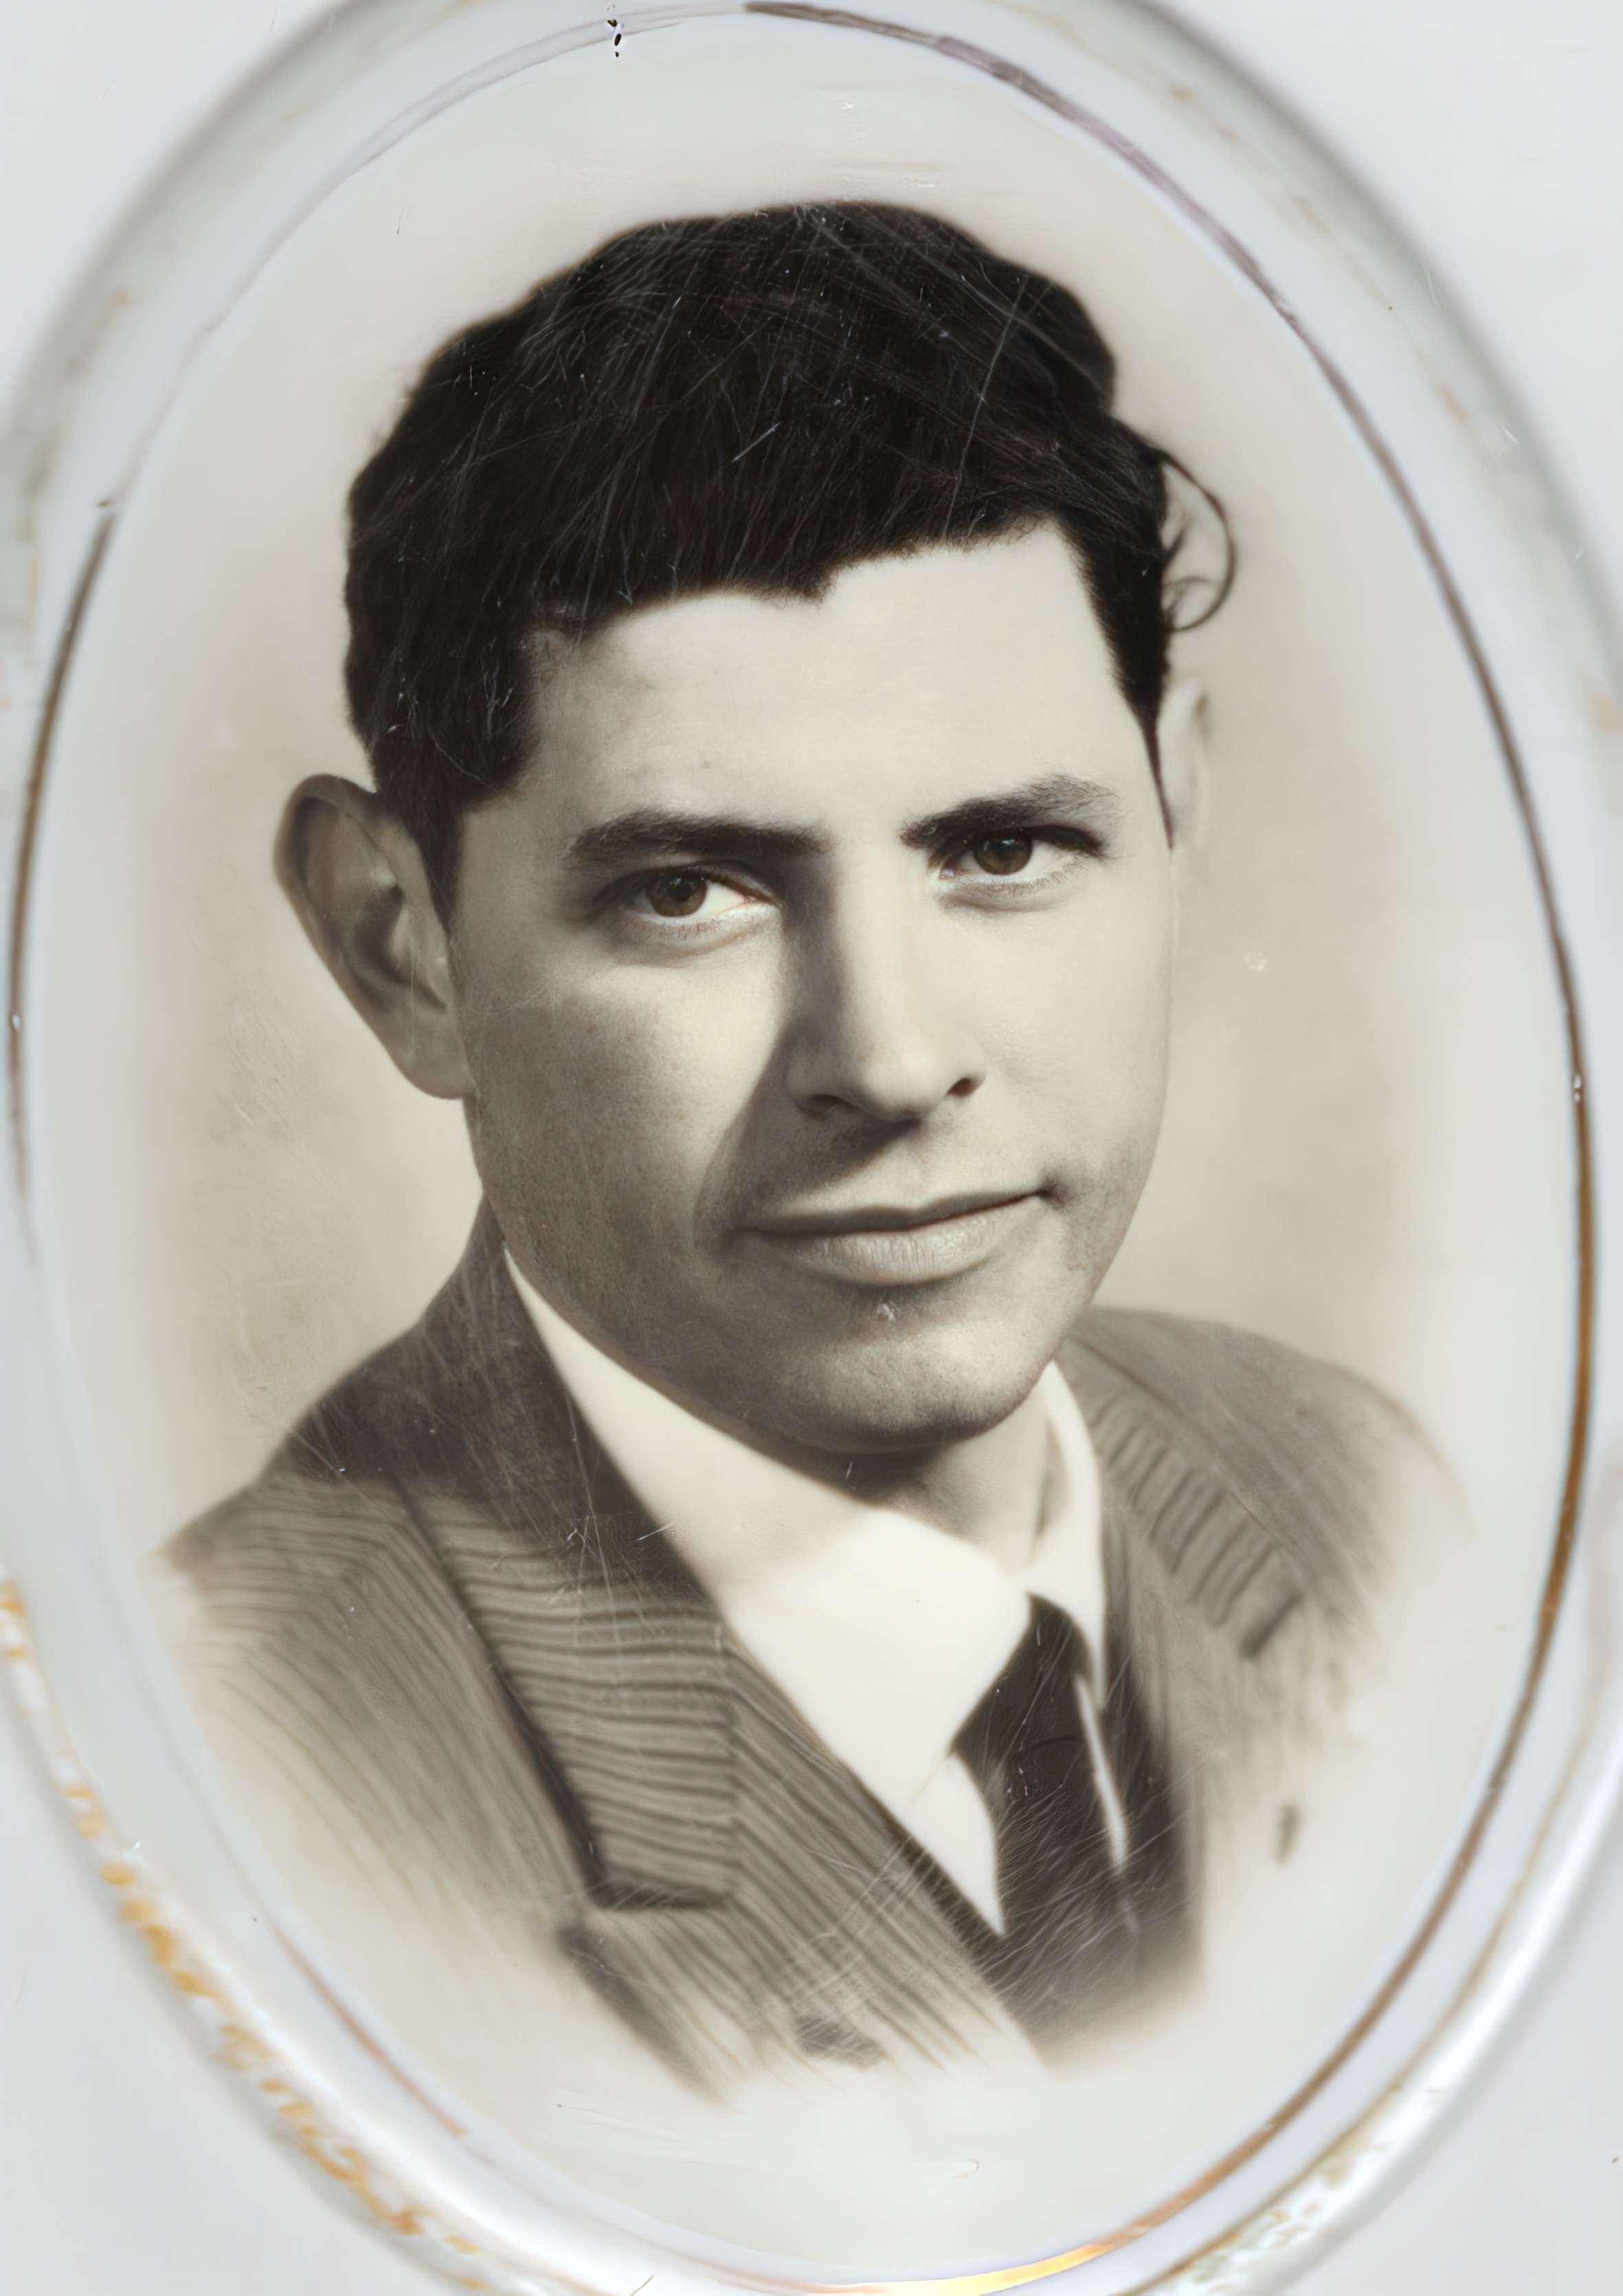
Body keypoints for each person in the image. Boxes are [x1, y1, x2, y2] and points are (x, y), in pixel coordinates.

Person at [162, 203, 1444, 2099]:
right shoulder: (199, 1783)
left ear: (1172, 808)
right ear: (400, 944)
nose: (893, 1061)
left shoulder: (1355, 1491)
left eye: (1003, 848)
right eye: (688, 889)